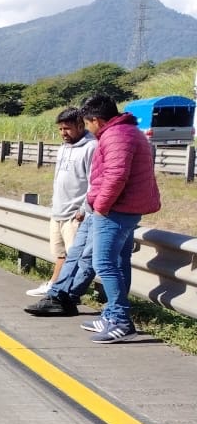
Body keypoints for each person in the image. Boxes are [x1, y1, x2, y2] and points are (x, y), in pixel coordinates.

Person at [77, 93, 162, 343]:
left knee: (103, 263)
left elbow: (115, 175)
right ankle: (112, 314)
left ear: (97, 120)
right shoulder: (129, 131)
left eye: (88, 124)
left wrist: (100, 206)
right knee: (119, 261)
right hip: (126, 208)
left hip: (116, 209)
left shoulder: (115, 136)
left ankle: (121, 321)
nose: (89, 130)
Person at [25, 108, 97, 297]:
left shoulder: (91, 147)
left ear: (81, 126)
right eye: (60, 129)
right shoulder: (64, 147)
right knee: (60, 253)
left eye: (67, 128)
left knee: (74, 256)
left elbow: (94, 182)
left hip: (76, 213)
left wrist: (83, 209)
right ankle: (55, 286)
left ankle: (62, 292)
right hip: (58, 210)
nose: (63, 133)